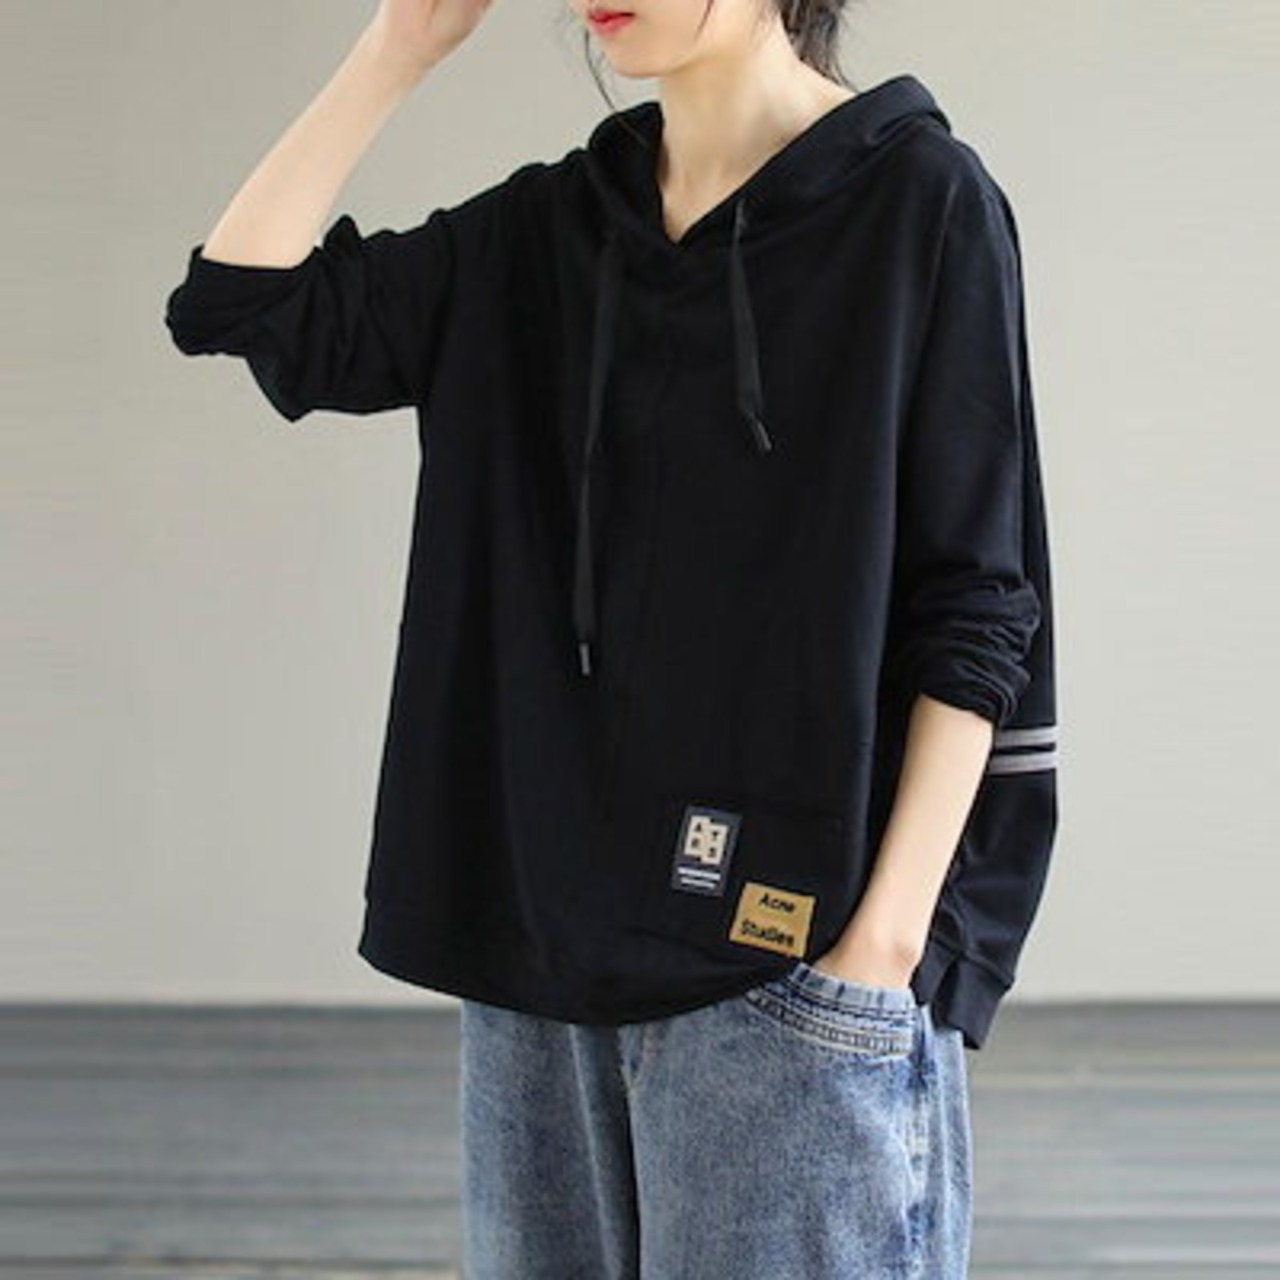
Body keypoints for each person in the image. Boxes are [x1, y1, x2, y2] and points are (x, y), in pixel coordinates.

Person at [163, 1, 1060, 1275]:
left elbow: (975, 605)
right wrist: (400, 46)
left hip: (789, 970)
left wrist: (881, 948)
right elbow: (245, 303)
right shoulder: (548, 229)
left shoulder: (919, 202)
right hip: (539, 978)